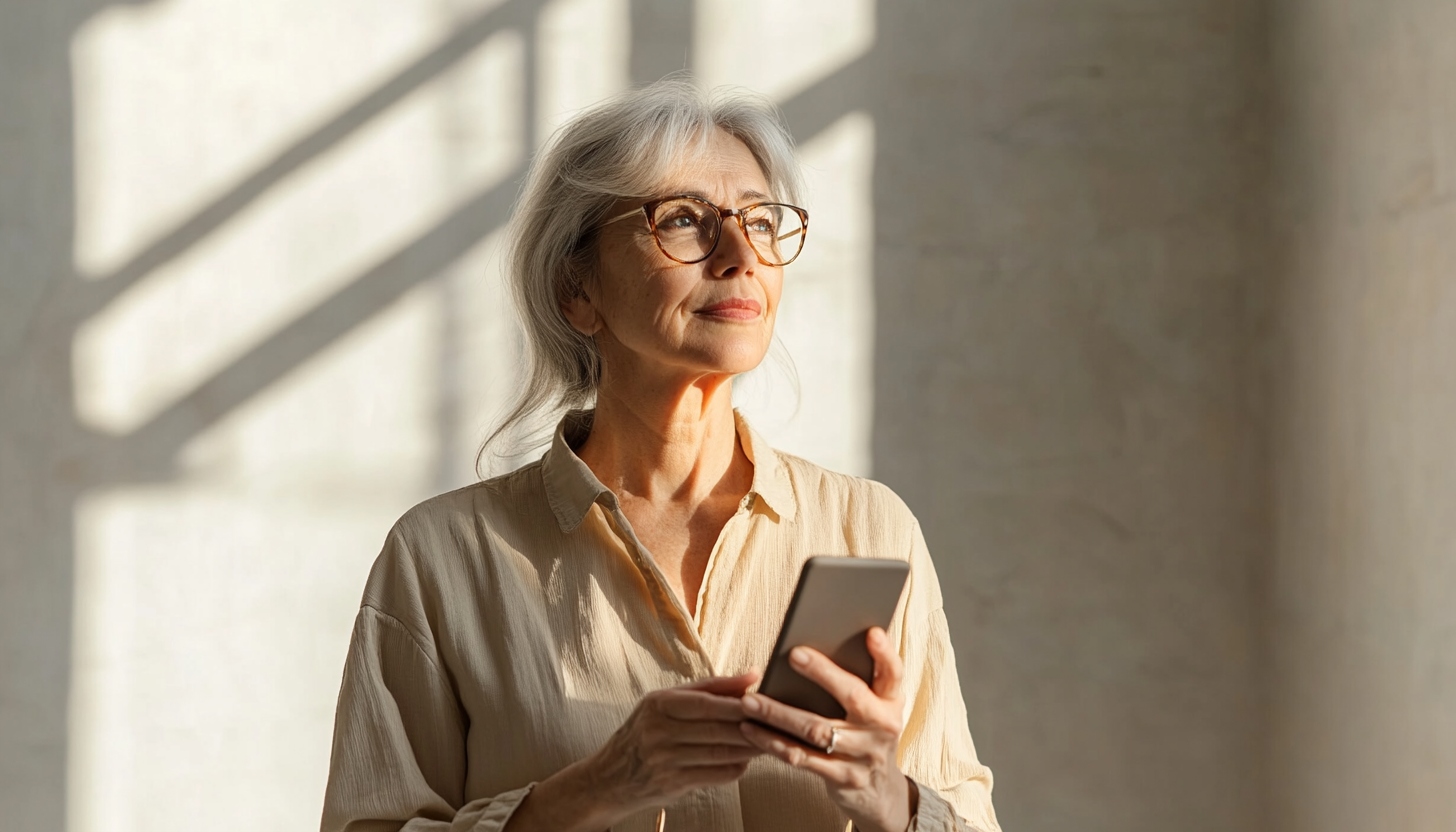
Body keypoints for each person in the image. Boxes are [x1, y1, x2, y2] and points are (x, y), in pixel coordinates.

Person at [320, 78, 1001, 832]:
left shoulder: (871, 528)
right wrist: (598, 788)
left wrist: (887, 798)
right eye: (684, 220)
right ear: (577, 289)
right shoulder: (441, 558)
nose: (741, 255)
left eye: (761, 221)